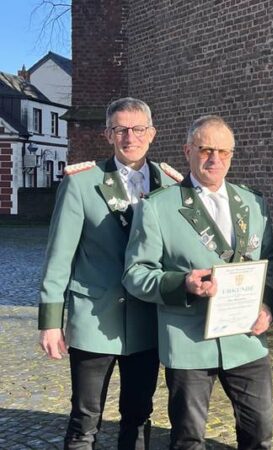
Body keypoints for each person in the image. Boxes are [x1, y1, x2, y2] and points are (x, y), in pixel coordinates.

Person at [122, 115, 273, 449]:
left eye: (223, 152)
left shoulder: (253, 203)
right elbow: (135, 274)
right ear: (188, 151)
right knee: (189, 439)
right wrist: (183, 284)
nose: (214, 159)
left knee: (260, 434)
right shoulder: (158, 207)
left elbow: (269, 264)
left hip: (246, 338)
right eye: (206, 150)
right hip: (188, 341)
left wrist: (267, 304)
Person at [37, 97, 182, 449]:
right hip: (93, 318)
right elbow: (59, 256)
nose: (130, 137)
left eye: (138, 129)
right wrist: (51, 322)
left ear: (152, 133)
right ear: (107, 135)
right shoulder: (82, 183)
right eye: (121, 130)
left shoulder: (171, 184)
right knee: (84, 419)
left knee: (139, 415)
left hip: (147, 320)